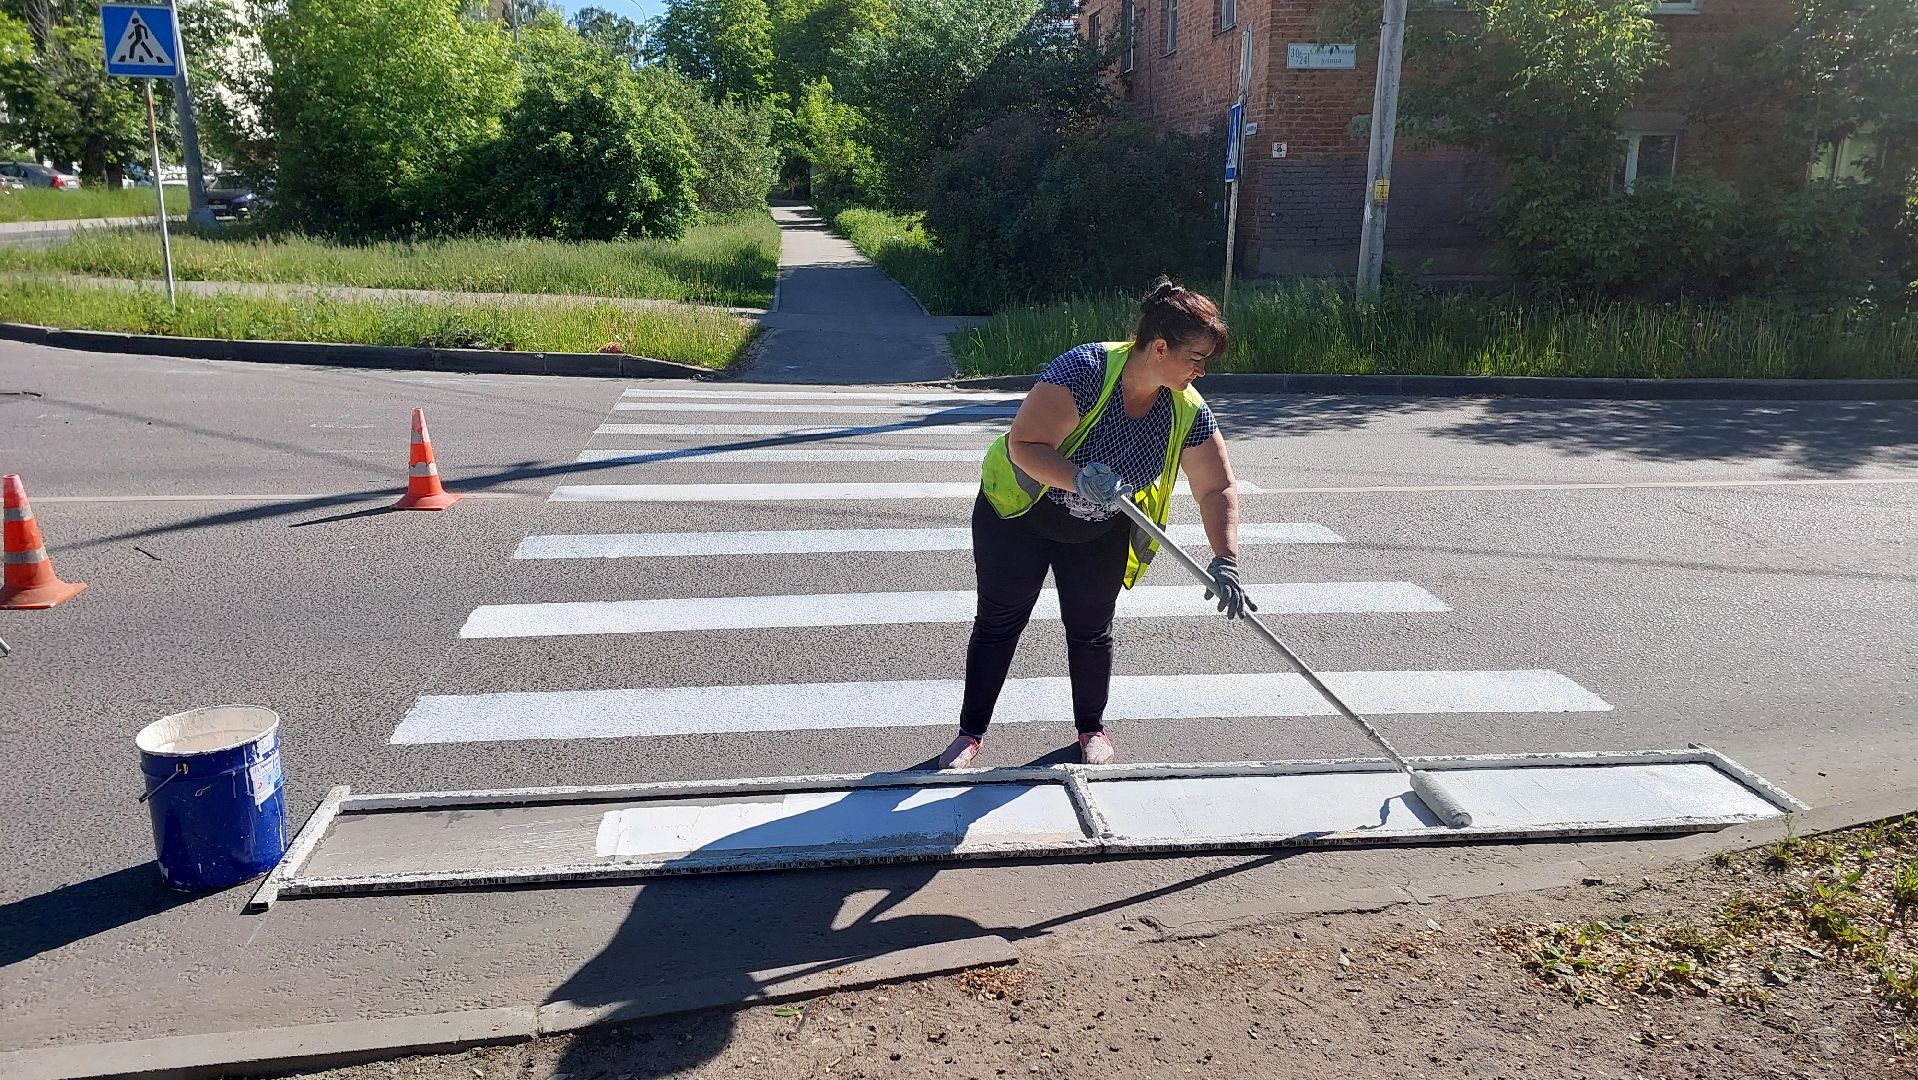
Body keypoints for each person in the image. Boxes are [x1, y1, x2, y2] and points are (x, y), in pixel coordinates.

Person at [940, 276, 1255, 769]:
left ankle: (1091, 728)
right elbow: (1024, 445)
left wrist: (1226, 558)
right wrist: (1078, 477)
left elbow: (1216, 487)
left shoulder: (1186, 409)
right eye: (1196, 358)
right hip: (1020, 516)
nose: (1202, 371)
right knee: (999, 622)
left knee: (1091, 629)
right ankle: (970, 734)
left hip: (1099, 529)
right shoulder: (1085, 372)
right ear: (1159, 348)